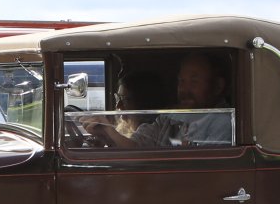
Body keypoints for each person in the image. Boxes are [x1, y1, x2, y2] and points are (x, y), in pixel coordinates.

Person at [87, 53, 232, 148]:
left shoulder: (224, 123)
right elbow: (136, 147)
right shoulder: (168, 119)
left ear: (218, 86)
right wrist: (106, 133)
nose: (184, 90)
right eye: (181, 81)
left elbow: (199, 169)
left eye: (194, 82)